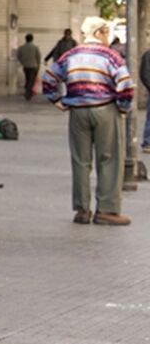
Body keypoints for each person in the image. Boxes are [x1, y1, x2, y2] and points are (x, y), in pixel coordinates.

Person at [42, 16, 134, 227]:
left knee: (80, 161)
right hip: (104, 109)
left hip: (77, 112)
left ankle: (82, 210)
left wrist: (57, 100)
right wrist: (123, 107)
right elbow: (126, 85)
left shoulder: (70, 55)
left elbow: (49, 78)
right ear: (100, 32)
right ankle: (107, 210)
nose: (108, 36)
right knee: (109, 159)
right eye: (107, 32)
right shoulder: (111, 56)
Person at [15, 33, 41, 101]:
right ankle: (28, 93)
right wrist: (38, 65)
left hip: (26, 66)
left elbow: (18, 56)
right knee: (31, 81)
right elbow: (38, 57)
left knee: (27, 79)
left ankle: (27, 91)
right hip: (33, 66)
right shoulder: (35, 47)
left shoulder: (21, 47)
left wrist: (23, 62)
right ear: (32, 39)